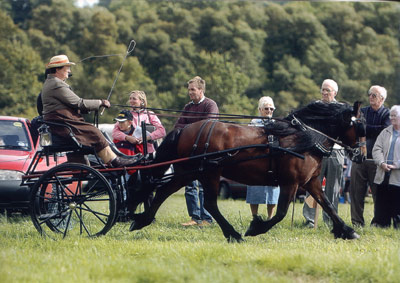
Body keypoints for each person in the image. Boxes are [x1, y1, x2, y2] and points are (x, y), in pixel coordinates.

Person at [41, 54, 142, 167]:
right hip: (63, 123)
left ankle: (118, 157)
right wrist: (100, 102)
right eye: (67, 68)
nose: (69, 71)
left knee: (99, 132)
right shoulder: (56, 84)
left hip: (63, 121)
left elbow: (71, 105)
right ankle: (115, 161)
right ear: (58, 69)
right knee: (94, 132)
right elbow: (79, 103)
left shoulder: (52, 83)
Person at [175, 76, 219, 226]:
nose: (190, 92)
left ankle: (207, 218)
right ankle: (195, 218)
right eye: (189, 90)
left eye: (193, 89)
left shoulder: (210, 105)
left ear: (201, 90)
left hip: (206, 152)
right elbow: (178, 126)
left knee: (204, 186)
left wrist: (188, 131)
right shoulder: (188, 107)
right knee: (190, 185)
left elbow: (208, 126)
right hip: (189, 152)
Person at [303, 79, 345, 228]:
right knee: (311, 185)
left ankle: (330, 220)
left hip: (336, 152)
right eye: (323, 89)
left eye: (328, 90)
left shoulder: (341, 109)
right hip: (316, 152)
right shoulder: (315, 107)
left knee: (332, 188)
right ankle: (309, 220)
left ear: (335, 93)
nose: (325, 93)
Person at [350, 85, 390, 227]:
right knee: (355, 193)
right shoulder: (363, 111)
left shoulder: (387, 114)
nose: (371, 97)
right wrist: (366, 128)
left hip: (377, 161)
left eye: (374, 95)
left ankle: (378, 223)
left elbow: (384, 132)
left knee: (378, 195)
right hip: (359, 158)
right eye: (370, 94)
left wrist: (365, 128)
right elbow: (355, 128)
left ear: (382, 99)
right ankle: (356, 223)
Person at [246, 96, 280, 221]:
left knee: (272, 190)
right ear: (260, 109)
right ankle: (255, 216)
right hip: (256, 159)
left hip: (272, 161)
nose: (269, 111)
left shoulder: (275, 124)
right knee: (254, 187)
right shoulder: (254, 123)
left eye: (272, 109)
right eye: (266, 108)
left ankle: (270, 217)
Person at [112, 90, 166, 157]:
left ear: (142, 101)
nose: (131, 101)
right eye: (130, 99)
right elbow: (114, 132)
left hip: (148, 153)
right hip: (130, 152)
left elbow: (162, 131)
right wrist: (127, 138)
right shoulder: (127, 114)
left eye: (134, 99)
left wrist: (147, 138)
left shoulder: (150, 114)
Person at [371, 105, 400, 228]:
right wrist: (382, 163)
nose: (391, 118)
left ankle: (397, 225)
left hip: (398, 175)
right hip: (384, 173)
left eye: (395, 116)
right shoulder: (385, 132)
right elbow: (376, 149)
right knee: (382, 201)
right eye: (391, 115)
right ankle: (382, 224)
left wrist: (397, 165)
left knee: (397, 202)